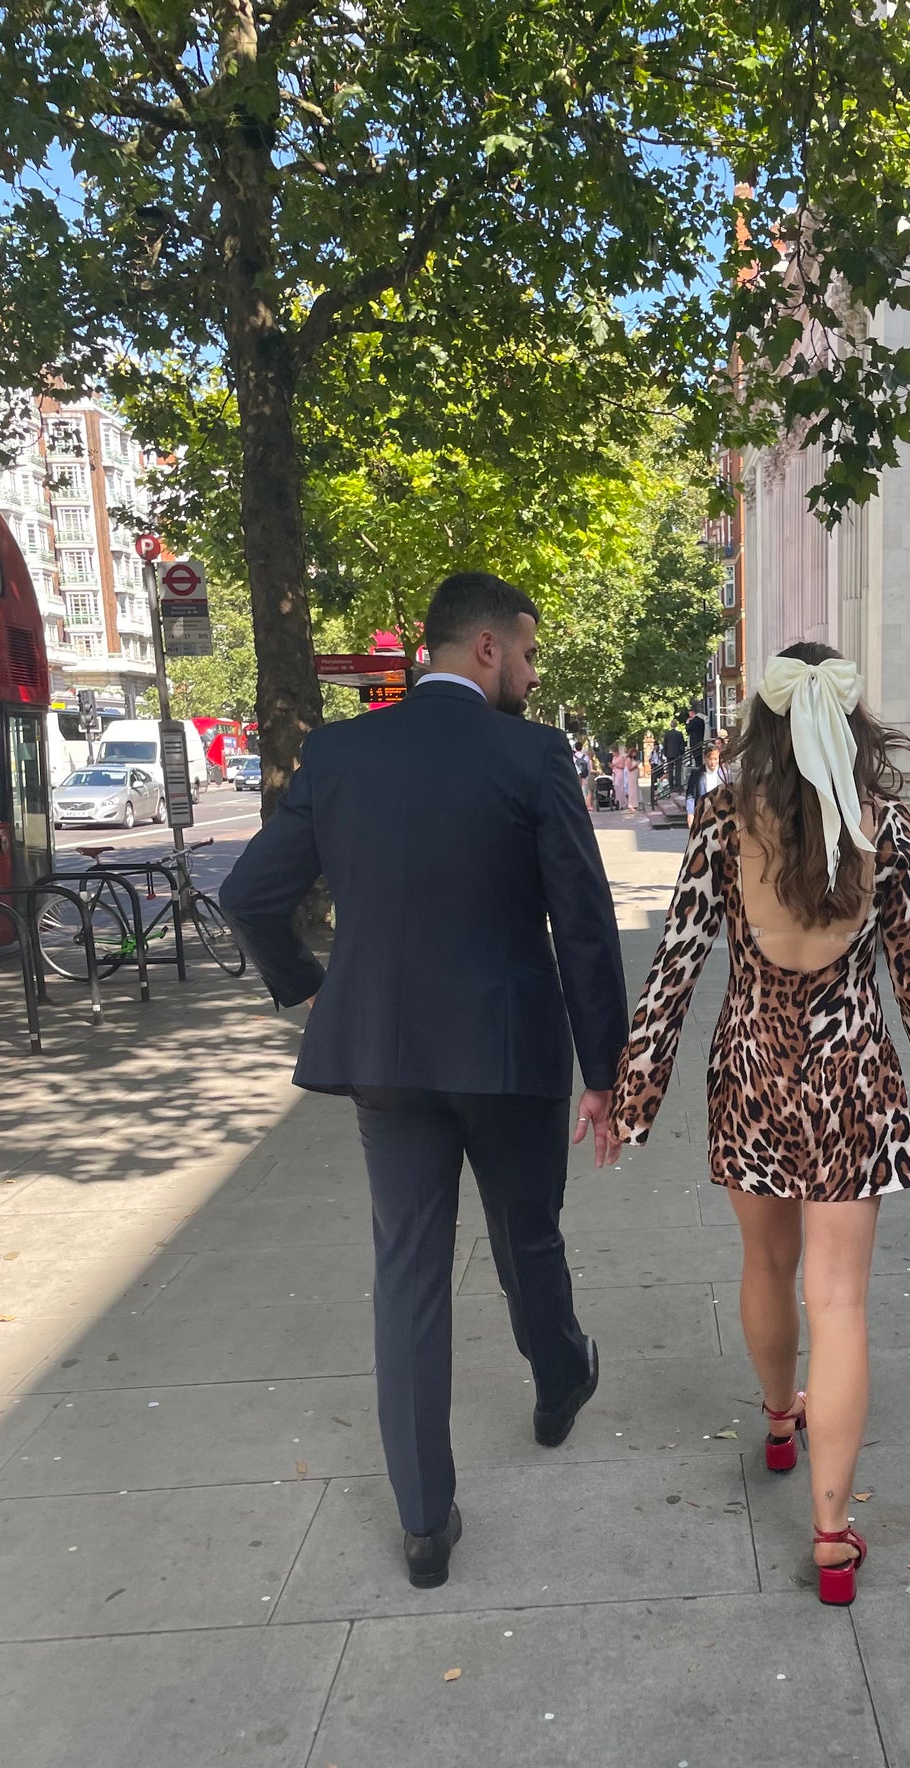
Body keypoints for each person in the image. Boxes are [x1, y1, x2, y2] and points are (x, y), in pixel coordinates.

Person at [221, 572, 627, 1590]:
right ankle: (556, 1377)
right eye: (528, 655)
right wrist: (607, 1071)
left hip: (385, 1058)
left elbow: (248, 895)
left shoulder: (343, 752)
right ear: (484, 649)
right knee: (526, 1233)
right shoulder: (532, 754)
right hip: (508, 1053)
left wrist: (306, 987)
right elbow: (581, 923)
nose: (533, 676)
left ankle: (421, 1519)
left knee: (406, 1269)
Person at [611, 642, 910, 1606]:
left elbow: (674, 971)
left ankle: (780, 1419)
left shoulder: (721, 827)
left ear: (764, 729)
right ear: (852, 723)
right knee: (842, 1302)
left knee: (765, 1267)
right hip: (853, 1082)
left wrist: (634, 1097)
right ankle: (831, 1533)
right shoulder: (886, 830)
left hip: (749, 1073)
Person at [684, 738, 728, 820]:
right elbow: (691, 795)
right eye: (710, 759)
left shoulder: (725, 774)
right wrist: (690, 813)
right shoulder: (696, 774)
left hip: (720, 815)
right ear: (705, 758)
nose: (713, 762)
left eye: (715, 759)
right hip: (702, 814)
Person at [661, 722, 686, 794]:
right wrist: (682, 753)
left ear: (670, 725)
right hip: (678, 754)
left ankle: (671, 786)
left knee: (670, 770)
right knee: (678, 770)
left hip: (669, 754)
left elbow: (665, 744)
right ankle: (678, 785)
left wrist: (665, 753)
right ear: (676, 725)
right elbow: (682, 744)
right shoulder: (679, 734)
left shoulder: (667, 734)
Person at [685, 703, 707, 777]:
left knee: (695, 758)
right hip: (700, 741)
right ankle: (700, 770)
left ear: (691, 713)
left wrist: (687, 722)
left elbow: (687, 730)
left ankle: (698, 772)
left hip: (694, 742)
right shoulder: (701, 721)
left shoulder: (692, 721)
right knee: (699, 757)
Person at [610, 742, 633, 812]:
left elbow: (623, 766)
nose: (612, 754)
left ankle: (622, 803)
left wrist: (615, 766)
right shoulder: (614, 757)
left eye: (613, 752)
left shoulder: (621, 757)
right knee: (615, 788)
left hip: (619, 772)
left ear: (616, 751)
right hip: (614, 772)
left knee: (620, 788)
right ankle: (616, 801)